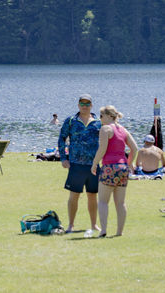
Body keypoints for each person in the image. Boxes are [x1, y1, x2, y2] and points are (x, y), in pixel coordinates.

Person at [89, 105, 137, 238]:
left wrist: (94, 163)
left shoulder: (105, 129)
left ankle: (103, 230)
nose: (100, 119)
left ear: (109, 116)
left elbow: (102, 149)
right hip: (123, 168)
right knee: (120, 202)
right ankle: (119, 232)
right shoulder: (123, 129)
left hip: (109, 167)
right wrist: (130, 163)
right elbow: (135, 148)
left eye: (101, 116)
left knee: (103, 201)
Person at [57, 94, 101, 235]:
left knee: (92, 195)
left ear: (91, 105)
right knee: (74, 195)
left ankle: (94, 225)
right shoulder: (71, 121)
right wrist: (64, 158)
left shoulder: (99, 122)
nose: (84, 106)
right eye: (82, 103)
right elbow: (62, 139)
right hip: (75, 164)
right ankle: (71, 225)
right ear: (78, 105)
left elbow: (106, 142)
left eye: (87, 104)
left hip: (93, 165)